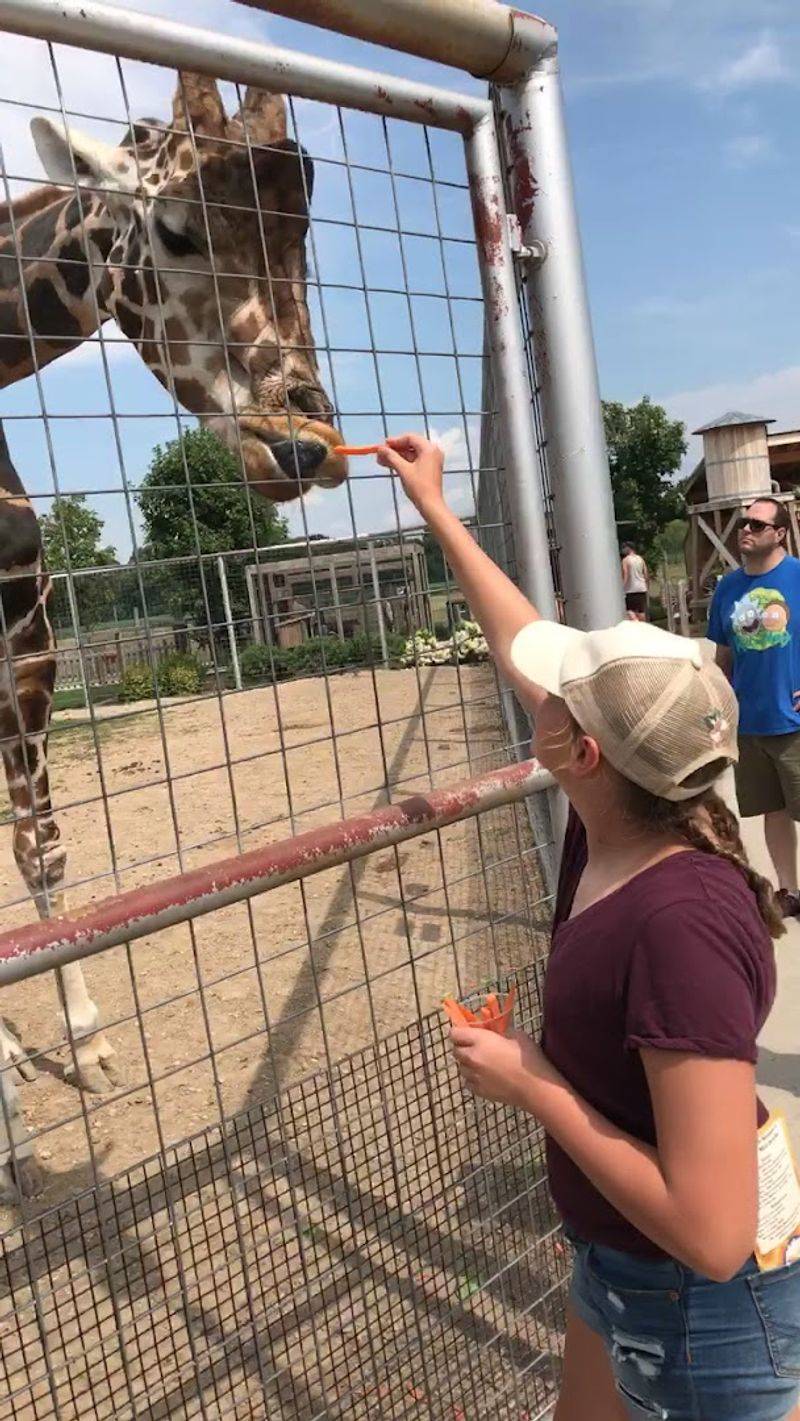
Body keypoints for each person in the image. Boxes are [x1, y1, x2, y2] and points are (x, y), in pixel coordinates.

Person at [377, 432, 800, 1421]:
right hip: (614, 1263)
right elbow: (518, 631)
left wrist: (537, 1087)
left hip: (700, 1303)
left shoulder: (675, 924)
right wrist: (435, 506)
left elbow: (709, 1227)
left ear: (577, 748)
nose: (537, 685)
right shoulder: (622, 813)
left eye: (557, 690)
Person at [708, 498, 800, 917]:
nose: (744, 529)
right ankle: (789, 891)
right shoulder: (727, 588)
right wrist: (719, 707)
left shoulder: (798, 577)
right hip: (749, 724)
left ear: (780, 533)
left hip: (793, 721)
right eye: (742, 523)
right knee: (772, 811)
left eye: (756, 525)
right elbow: (723, 657)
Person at [621, 541, 649, 621]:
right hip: (641, 588)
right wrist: (646, 586)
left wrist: (622, 588)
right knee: (641, 611)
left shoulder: (625, 560)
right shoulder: (640, 559)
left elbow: (625, 575)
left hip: (630, 589)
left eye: (624, 548)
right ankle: (643, 626)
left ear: (629, 548)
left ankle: (636, 623)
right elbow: (646, 574)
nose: (622, 550)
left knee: (630, 610)